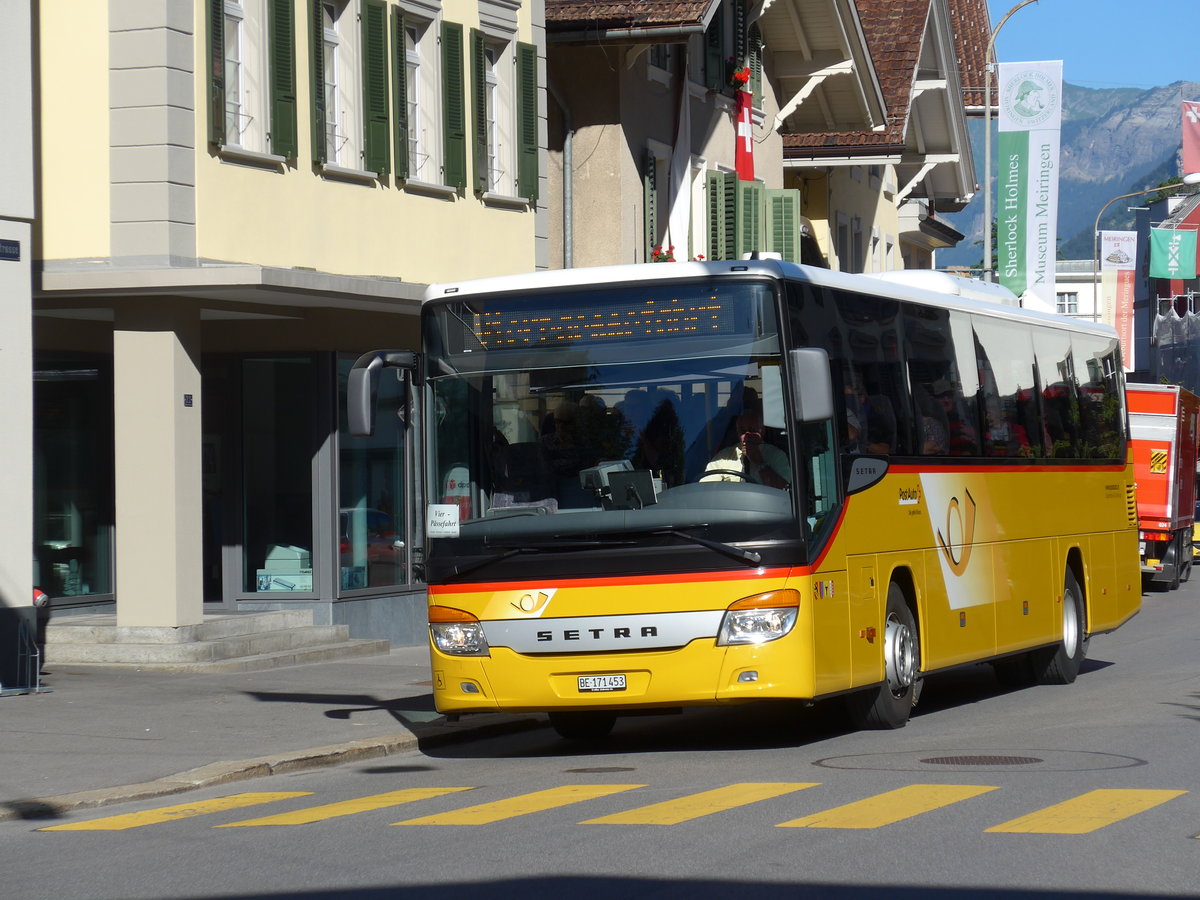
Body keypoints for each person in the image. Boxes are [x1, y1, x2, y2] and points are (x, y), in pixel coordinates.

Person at [701, 408, 790, 489]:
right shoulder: (725, 456)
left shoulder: (776, 455)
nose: (746, 436)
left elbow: (783, 489)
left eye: (751, 430)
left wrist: (759, 462)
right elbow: (706, 488)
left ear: (762, 431)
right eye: (742, 431)